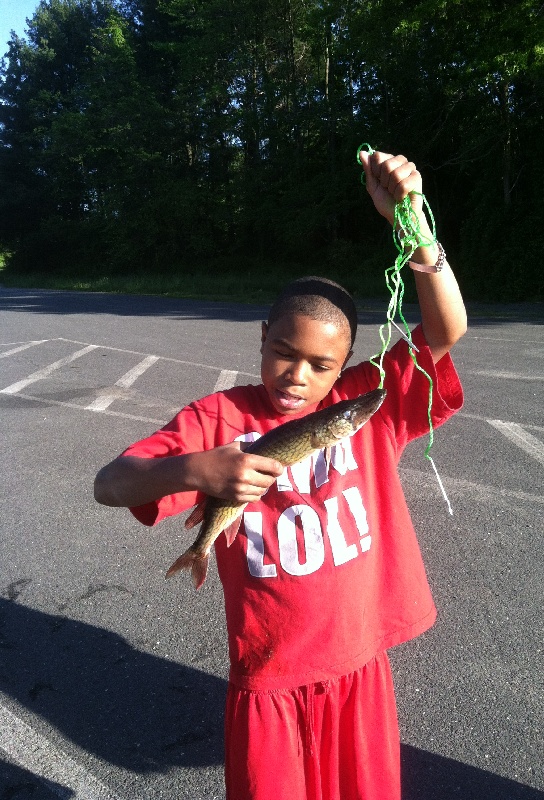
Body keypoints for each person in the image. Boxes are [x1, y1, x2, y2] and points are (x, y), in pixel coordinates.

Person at [94, 149, 467, 800]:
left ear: (346, 362)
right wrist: (196, 467)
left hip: (360, 669)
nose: (298, 376)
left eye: (321, 365)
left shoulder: (365, 405)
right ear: (263, 337)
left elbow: (446, 328)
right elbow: (112, 482)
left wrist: (414, 226)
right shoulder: (219, 419)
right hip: (267, 679)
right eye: (283, 354)